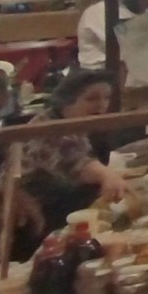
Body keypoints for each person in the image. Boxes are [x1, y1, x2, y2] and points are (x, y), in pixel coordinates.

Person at [21, 67, 129, 229]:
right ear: (67, 100)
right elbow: (72, 160)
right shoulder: (47, 128)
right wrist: (106, 175)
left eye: (106, 97)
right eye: (91, 98)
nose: (102, 105)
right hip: (32, 216)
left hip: (59, 201)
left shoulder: (75, 121)